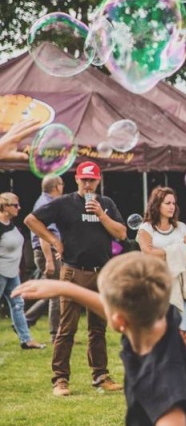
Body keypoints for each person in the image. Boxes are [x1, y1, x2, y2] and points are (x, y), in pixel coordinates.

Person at [13, 253, 186, 426]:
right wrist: (66, 288)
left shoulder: (162, 368)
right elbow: (121, 310)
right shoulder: (161, 322)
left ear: (118, 322)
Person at [24, 161, 126, 397]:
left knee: (98, 328)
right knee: (66, 328)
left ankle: (100, 375)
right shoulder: (64, 203)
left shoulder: (106, 204)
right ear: (77, 180)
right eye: (84, 179)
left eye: (92, 180)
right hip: (72, 271)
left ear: (98, 180)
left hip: (101, 272)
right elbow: (31, 220)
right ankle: (60, 379)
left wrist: (101, 214)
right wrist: (53, 240)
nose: (88, 184)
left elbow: (121, 234)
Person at [137, 187, 186, 331]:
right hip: (156, 281)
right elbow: (147, 253)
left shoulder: (181, 228)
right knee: (157, 327)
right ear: (157, 205)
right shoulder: (146, 228)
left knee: (180, 330)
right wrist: (178, 249)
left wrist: (160, 252)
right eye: (167, 203)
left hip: (179, 281)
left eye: (173, 203)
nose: (172, 207)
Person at [0, 192, 44, 350]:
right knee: (17, 305)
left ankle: (27, 340)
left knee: (18, 305)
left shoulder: (10, 224)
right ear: (5, 207)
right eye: (15, 205)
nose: (19, 208)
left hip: (11, 272)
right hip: (1, 272)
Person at [24, 173, 64, 336]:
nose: (63, 187)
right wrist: (49, 260)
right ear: (56, 186)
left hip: (48, 252)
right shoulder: (46, 204)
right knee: (57, 291)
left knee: (50, 290)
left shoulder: (47, 202)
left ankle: (27, 319)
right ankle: (56, 334)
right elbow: (43, 234)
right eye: (61, 184)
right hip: (48, 252)